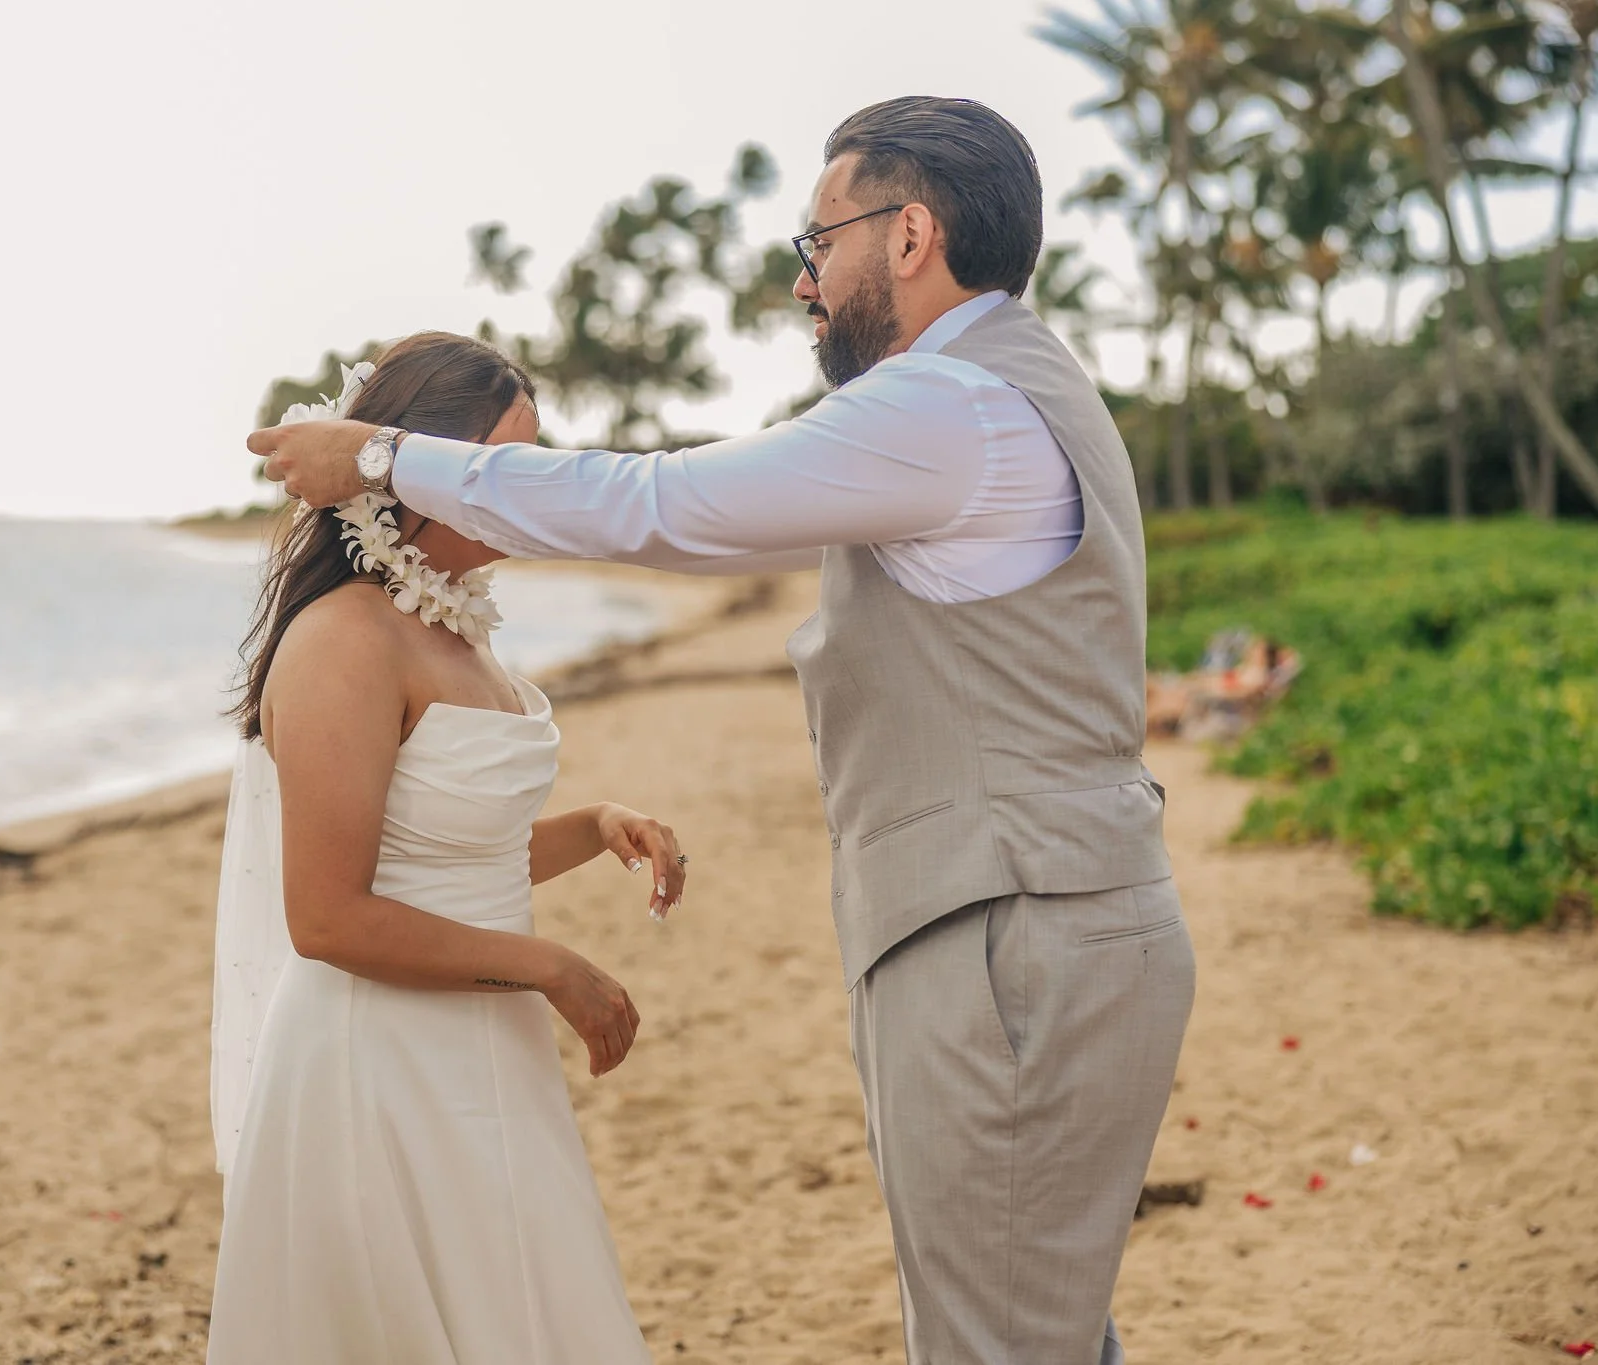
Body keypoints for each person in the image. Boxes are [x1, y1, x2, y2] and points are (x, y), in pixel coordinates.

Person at [254, 98, 1195, 1365]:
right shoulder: (1005, 393)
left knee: (997, 1342)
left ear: (908, 234)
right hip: (1037, 919)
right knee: (1033, 1330)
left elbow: (667, 505)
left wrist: (380, 459)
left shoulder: (946, 408)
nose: (803, 278)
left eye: (818, 242)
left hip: (1008, 937)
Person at [205, 331, 683, 1363]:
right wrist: (551, 967)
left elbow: (453, 861)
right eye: (495, 463)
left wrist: (594, 828)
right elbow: (328, 918)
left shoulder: (456, 626)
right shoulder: (343, 638)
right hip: (378, 1063)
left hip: (480, 1042)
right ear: (403, 466)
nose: (514, 491)